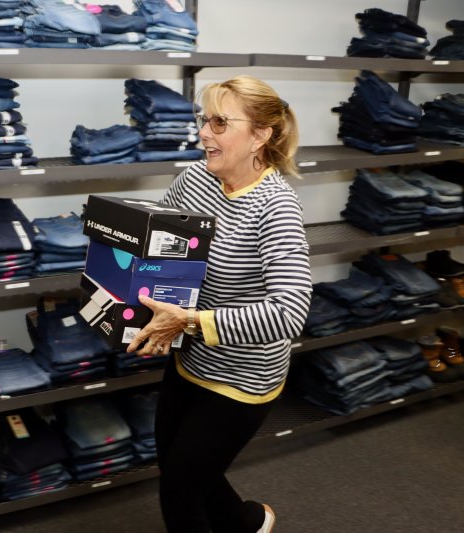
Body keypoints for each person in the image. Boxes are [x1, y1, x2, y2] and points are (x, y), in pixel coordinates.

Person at [126, 75, 312, 533]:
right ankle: (248, 521)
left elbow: (291, 311)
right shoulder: (194, 180)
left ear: (261, 135)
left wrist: (188, 320)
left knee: (180, 491)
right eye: (203, 120)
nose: (204, 133)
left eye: (219, 123)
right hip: (192, 360)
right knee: (179, 465)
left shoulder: (276, 206)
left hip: (244, 376)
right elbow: (161, 252)